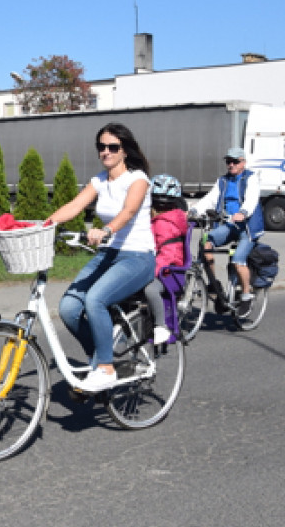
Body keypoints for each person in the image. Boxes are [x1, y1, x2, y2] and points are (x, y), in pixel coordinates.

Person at [48, 123, 156, 392]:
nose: (106, 152)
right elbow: (74, 206)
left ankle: (106, 368)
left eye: (113, 147)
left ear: (125, 150)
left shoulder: (137, 179)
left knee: (96, 299)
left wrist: (107, 230)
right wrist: (44, 224)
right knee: (69, 309)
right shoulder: (99, 181)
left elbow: (129, 212)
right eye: (101, 147)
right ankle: (99, 356)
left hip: (138, 256)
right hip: (109, 253)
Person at [191, 146, 264, 313]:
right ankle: (214, 285)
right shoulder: (223, 181)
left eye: (235, 161)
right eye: (228, 161)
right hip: (229, 225)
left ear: (243, 163)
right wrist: (194, 210)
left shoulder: (250, 178)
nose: (231, 165)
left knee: (238, 261)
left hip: (247, 227)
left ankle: (246, 295)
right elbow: (210, 199)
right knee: (206, 242)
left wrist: (243, 212)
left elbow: (252, 198)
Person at [142, 174, 188, 345]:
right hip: (163, 269)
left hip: (170, 274)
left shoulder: (165, 223)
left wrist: (150, 273)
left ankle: (161, 326)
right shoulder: (161, 219)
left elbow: (168, 255)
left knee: (150, 290)